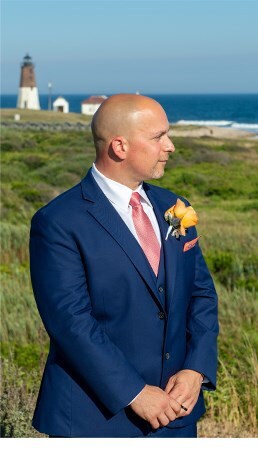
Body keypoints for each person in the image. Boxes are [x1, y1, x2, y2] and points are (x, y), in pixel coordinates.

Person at [29, 94, 219, 437]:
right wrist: (134, 392)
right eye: (158, 137)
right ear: (120, 146)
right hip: (96, 418)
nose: (170, 146)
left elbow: (201, 294)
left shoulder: (175, 206)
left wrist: (196, 369)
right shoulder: (57, 221)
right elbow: (70, 321)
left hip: (177, 414)